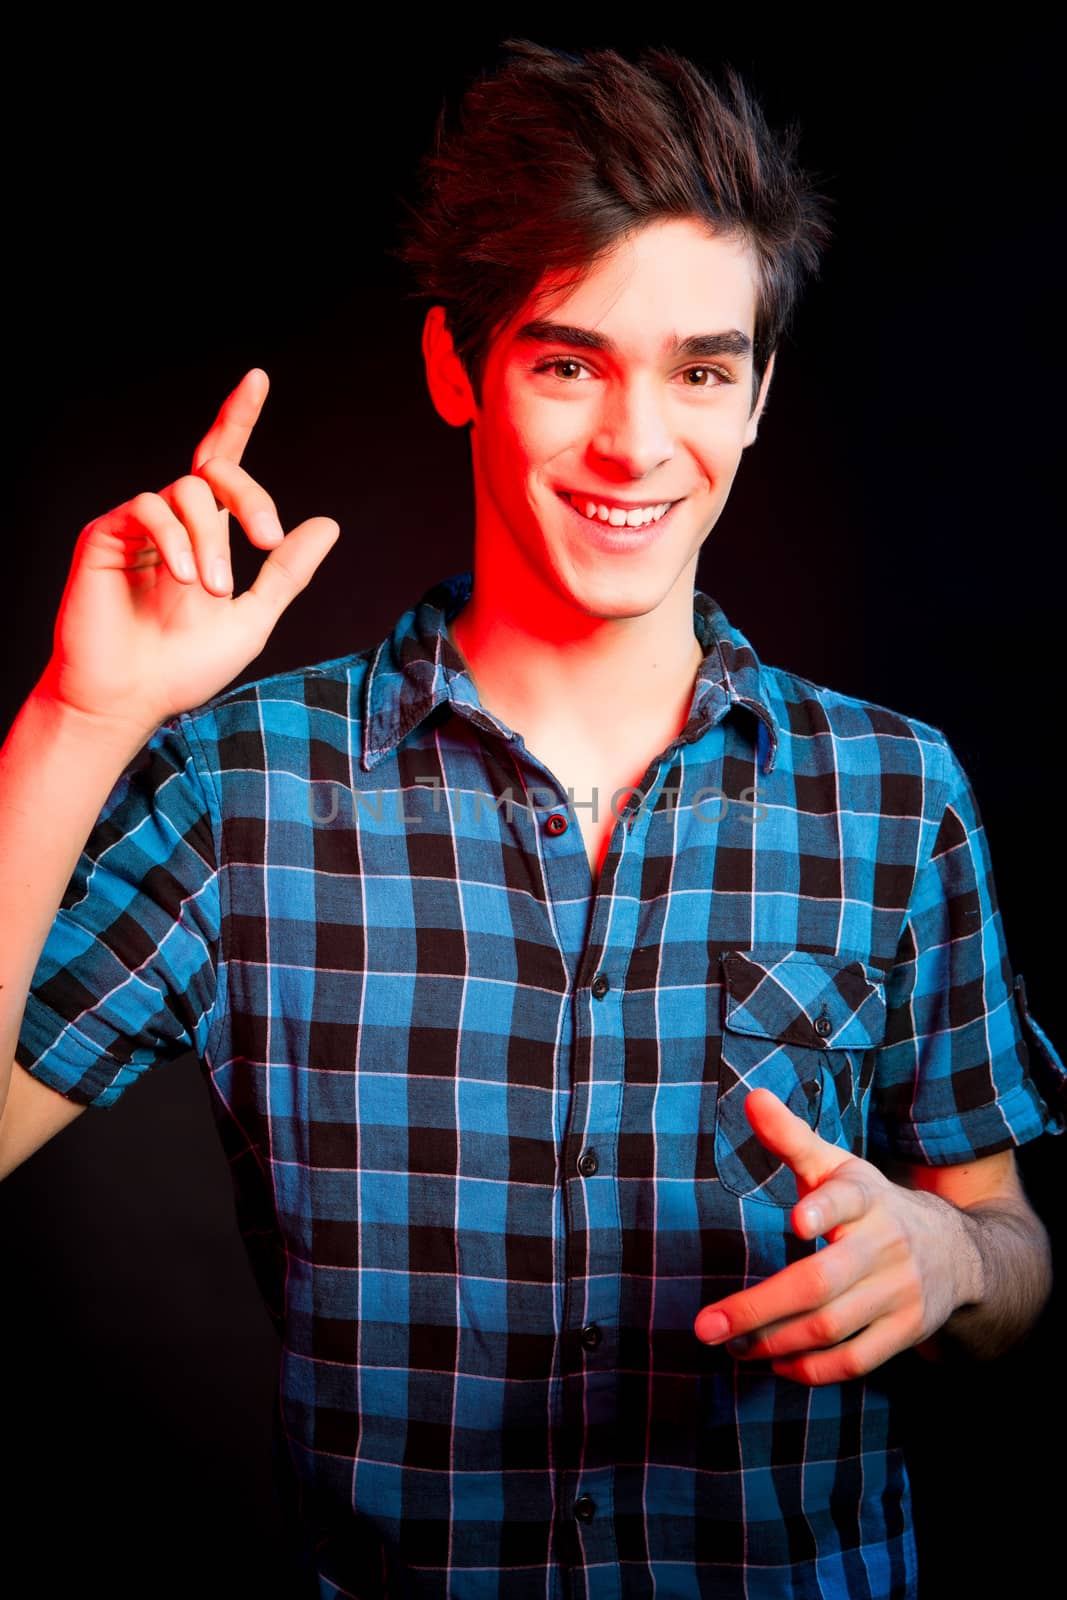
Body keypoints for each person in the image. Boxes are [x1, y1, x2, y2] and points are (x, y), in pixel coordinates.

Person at [1, 35, 1063, 1600]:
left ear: (759, 394)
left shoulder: (897, 795)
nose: (640, 444)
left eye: (702, 369)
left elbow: (1013, 1250)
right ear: (457, 368)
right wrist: (79, 719)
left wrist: (951, 1255)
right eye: (570, 361)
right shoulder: (243, 790)